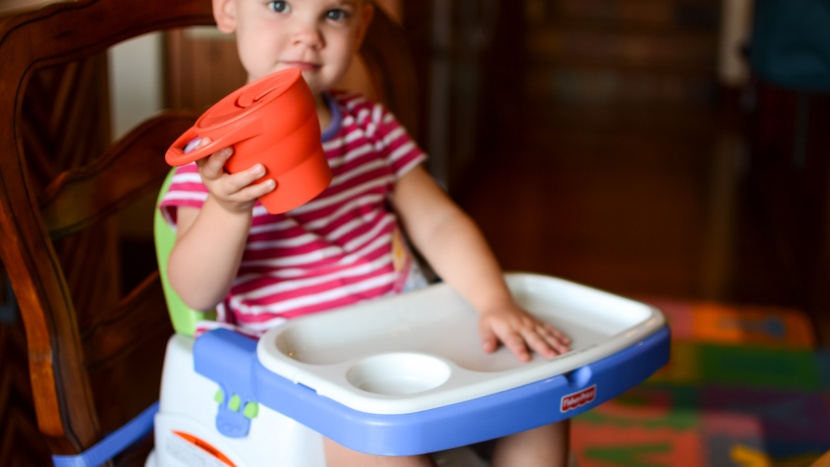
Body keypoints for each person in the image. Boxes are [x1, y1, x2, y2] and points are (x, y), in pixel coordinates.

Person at [161, 0, 572, 465]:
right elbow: (196, 291)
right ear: (228, 11)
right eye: (279, 5)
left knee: (540, 404)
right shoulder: (213, 160)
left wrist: (494, 301)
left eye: (333, 14)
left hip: (402, 326)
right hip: (303, 362)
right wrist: (228, 208)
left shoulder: (369, 125)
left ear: (361, 28)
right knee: (374, 444)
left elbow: (439, 223)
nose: (307, 34)